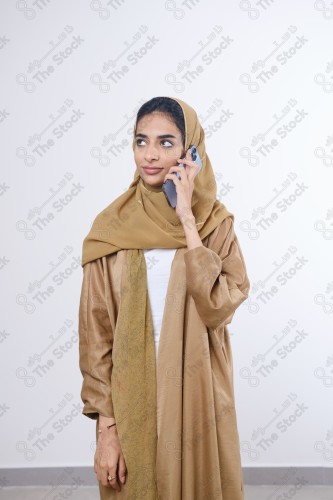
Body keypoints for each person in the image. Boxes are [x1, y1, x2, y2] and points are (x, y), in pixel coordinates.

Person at [78, 96, 250, 500]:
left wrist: (187, 218)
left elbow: (218, 308)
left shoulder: (214, 225)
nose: (150, 155)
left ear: (192, 151)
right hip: (129, 399)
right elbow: (96, 336)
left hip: (197, 400)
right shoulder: (111, 227)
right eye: (141, 141)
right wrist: (106, 430)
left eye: (166, 143)